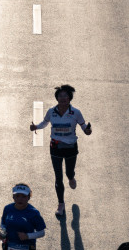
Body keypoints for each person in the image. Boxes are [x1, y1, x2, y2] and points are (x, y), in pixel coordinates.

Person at [30, 85, 92, 217]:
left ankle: (71, 177)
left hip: (71, 147)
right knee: (58, 177)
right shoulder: (51, 111)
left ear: (70, 98)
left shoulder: (76, 112)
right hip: (55, 147)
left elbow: (84, 127)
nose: (63, 98)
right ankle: (61, 204)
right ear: (57, 98)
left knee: (69, 172)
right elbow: (45, 123)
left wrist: (88, 131)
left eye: (65, 96)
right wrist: (36, 127)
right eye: (60, 96)